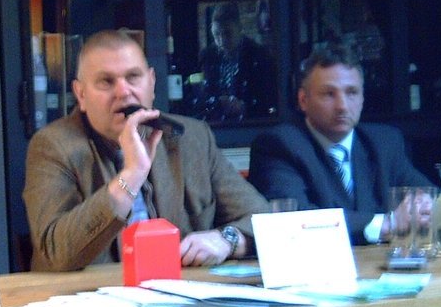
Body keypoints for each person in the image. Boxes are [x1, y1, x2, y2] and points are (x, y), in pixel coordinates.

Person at [23, 30, 269, 272]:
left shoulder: (191, 138)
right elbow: (55, 253)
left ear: (151, 83)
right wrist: (131, 175)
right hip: (94, 295)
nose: (123, 92)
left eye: (133, 77)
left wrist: (227, 240)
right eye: (106, 82)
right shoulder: (53, 145)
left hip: (183, 292)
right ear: (81, 94)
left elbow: (264, 220)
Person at [248, 43, 434, 245]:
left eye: (352, 92)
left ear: (362, 98)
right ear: (303, 100)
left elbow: (426, 195)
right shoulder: (278, 146)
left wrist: (424, 208)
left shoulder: (384, 142)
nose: (342, 106)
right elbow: (294, 218)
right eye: (329, 94)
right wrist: (386, 224)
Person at [192, 1, 277, 121]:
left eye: (227, 33)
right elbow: (198, 95)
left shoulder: (259, 56)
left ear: (239, 28)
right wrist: (214, 102)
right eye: (216, 34)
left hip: (251, 125)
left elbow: (271, 99)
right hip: (214, 124)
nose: (222, 40)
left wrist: (245, 107)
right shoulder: (206, 57)